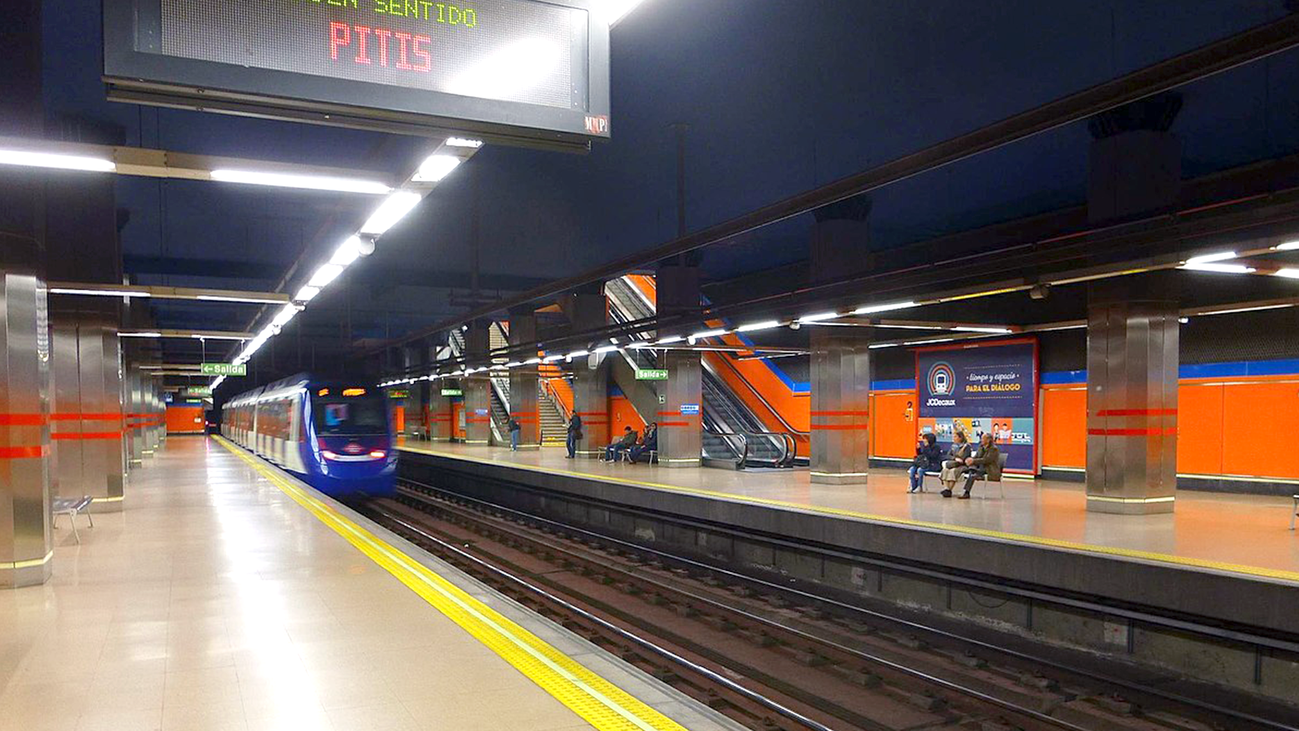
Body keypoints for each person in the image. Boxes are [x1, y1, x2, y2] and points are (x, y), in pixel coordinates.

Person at [954, 432, 1002, 499]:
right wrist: (970, 460)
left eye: (983, 438)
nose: (981, 440)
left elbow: (986, 460)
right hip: (980, 468)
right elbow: (976, 457)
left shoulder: (994, 449)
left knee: (972, 473)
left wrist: (973, 461)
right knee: (971, 470)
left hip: (989, 470)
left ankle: (966, 492)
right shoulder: (981, 447)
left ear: (988, 440)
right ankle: (966, 492)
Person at [938, 430, 972, 495]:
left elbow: (964, 459)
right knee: (945, 470)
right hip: (953, 463)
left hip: (962, 465)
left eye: (955, 436)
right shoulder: (953, 446)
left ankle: (949, 490)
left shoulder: (966, 447)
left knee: (952, 471)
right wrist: (954, 458)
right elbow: (948, 455)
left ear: (960, 437)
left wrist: (958, 459)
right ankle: (947, 489)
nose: (954, 438)